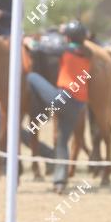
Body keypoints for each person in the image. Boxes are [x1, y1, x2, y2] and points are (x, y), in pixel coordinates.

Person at [22, 20, 92, 193]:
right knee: (62, 141)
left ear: (68, 37)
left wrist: (28, 41)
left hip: (62, 98)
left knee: (31, 77)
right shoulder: (88, 53)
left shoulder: (65, 50)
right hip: (78, 105)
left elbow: (41, 49)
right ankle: (60, 182)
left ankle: (36, 106)